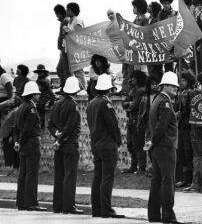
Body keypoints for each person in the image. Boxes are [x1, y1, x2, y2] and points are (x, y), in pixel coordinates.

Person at [86, 74, 124, 218]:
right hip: (108, 145)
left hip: (96, 144)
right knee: (107, 178)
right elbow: (113, 126)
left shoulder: (92, 103)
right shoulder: (106, 103)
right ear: (109, 89)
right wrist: (118, 141)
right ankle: (106, 209)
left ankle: (97, 209)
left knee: (98, 177)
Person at [146, 71, 182, 224]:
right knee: (168, 182)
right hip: (165, 146)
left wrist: (151, 141)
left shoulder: (156, 100)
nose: (176, 88)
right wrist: (153, 141)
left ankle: (154, 215)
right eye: (173, 86)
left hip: (158, 147)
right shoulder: (166, 103)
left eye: (176, 86)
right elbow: (161, 126)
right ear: (165, 86)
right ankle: (168, 216)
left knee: (157, 181)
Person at [48, 76, 83, 214]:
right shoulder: (73, 105)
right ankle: (68, 206)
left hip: (59, 144)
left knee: (59, 175)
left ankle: (58, 205)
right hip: (69, 143)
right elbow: (70, 127)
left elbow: (50, 125)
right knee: (70, 175)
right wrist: (60, 139)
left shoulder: (57, 103)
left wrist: (56, 135)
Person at [14, 81, 46, 211]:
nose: (39, 96)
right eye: (37, 94)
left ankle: (21, 202)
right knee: (32, 174)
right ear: (33, 95)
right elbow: (27, 129)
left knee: (23, 173)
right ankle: (31, 202)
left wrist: (17, 142)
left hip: (23, 144)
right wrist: (21, 142)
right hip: (31, 143)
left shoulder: (21, 107)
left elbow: (16, 128)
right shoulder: (31, 108)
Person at [122, 70, 147, 174]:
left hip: (137, 120)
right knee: (130, 144)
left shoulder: (141, 91)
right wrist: (129, 105)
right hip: (131, 119)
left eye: (134, 77)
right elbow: (124, 104)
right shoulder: (132, 90)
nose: (131, 79)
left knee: (138, 144)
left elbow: (133, 105)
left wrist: (128, 105)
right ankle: (133, 166)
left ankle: (141, 167)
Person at [175, 70, 196, 188]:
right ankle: (183, 177)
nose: (181, 82)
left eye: (183, 80)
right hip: (181, 125)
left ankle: (189, 178)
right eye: (180, 80)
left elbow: (188, 110)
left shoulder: (190, 93)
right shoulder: (180, 93)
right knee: (181, 152)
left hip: (188, 126)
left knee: (188, 153)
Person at [64, 2, 87, 90]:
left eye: (69, 10)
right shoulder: (70, 22)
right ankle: (77, 89)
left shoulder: (77, 22)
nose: (67, 11)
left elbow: (78, 35)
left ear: (73, 11)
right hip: (71, 50)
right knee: (74, 71)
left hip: (77, 50)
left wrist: (67, 31)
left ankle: (82, 89)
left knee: (78, 71)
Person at [54, 4, 71, 90]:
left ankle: (65, 87)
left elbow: (62, 35)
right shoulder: (66, 20)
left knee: (62, 70)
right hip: (65, 48)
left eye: (56, 14)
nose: (56, 16)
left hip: (65, 48)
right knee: (62, 70)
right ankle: (64, 87)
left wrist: (60, 46)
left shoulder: (65, 21)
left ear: (59, 13)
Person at [34, 64, 56, 129]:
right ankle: (41, 121)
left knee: (39, 105)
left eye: (41, 72)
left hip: (47, 94)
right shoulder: (41, 79)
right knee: (39, 105)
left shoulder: (45, 80)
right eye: (38, 72)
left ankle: (42, 121)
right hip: (43, 94)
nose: (39, 73)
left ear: (44, 72)